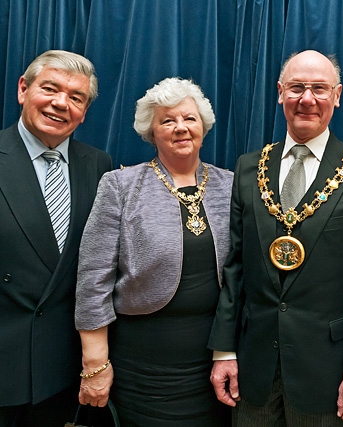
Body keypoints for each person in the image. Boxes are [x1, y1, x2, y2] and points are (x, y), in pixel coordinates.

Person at [209, 50, 343, 426]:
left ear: (337, 96)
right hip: (253, 370)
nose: (307, 99)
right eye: (296, 88)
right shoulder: (247, 167)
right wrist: (223, 349)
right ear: (279, 93)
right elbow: (236, 266)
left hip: (328, 375)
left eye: (319, 89)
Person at [74, 77, 233, 426]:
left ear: (203, 126)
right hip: (142, 366)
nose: (180, 128)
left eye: (189, 119)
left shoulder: (231, 185)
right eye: (167, 120)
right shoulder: (120, 185)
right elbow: (92, 278)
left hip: (215, 363)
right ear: (151, 131)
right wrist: (95, 364)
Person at [0, 50, 112, 427]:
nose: (61, 103)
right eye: (50, 88)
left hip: (60, 371)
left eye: (76, 98)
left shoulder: (99, 165)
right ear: (22, 89)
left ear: (84, 111)